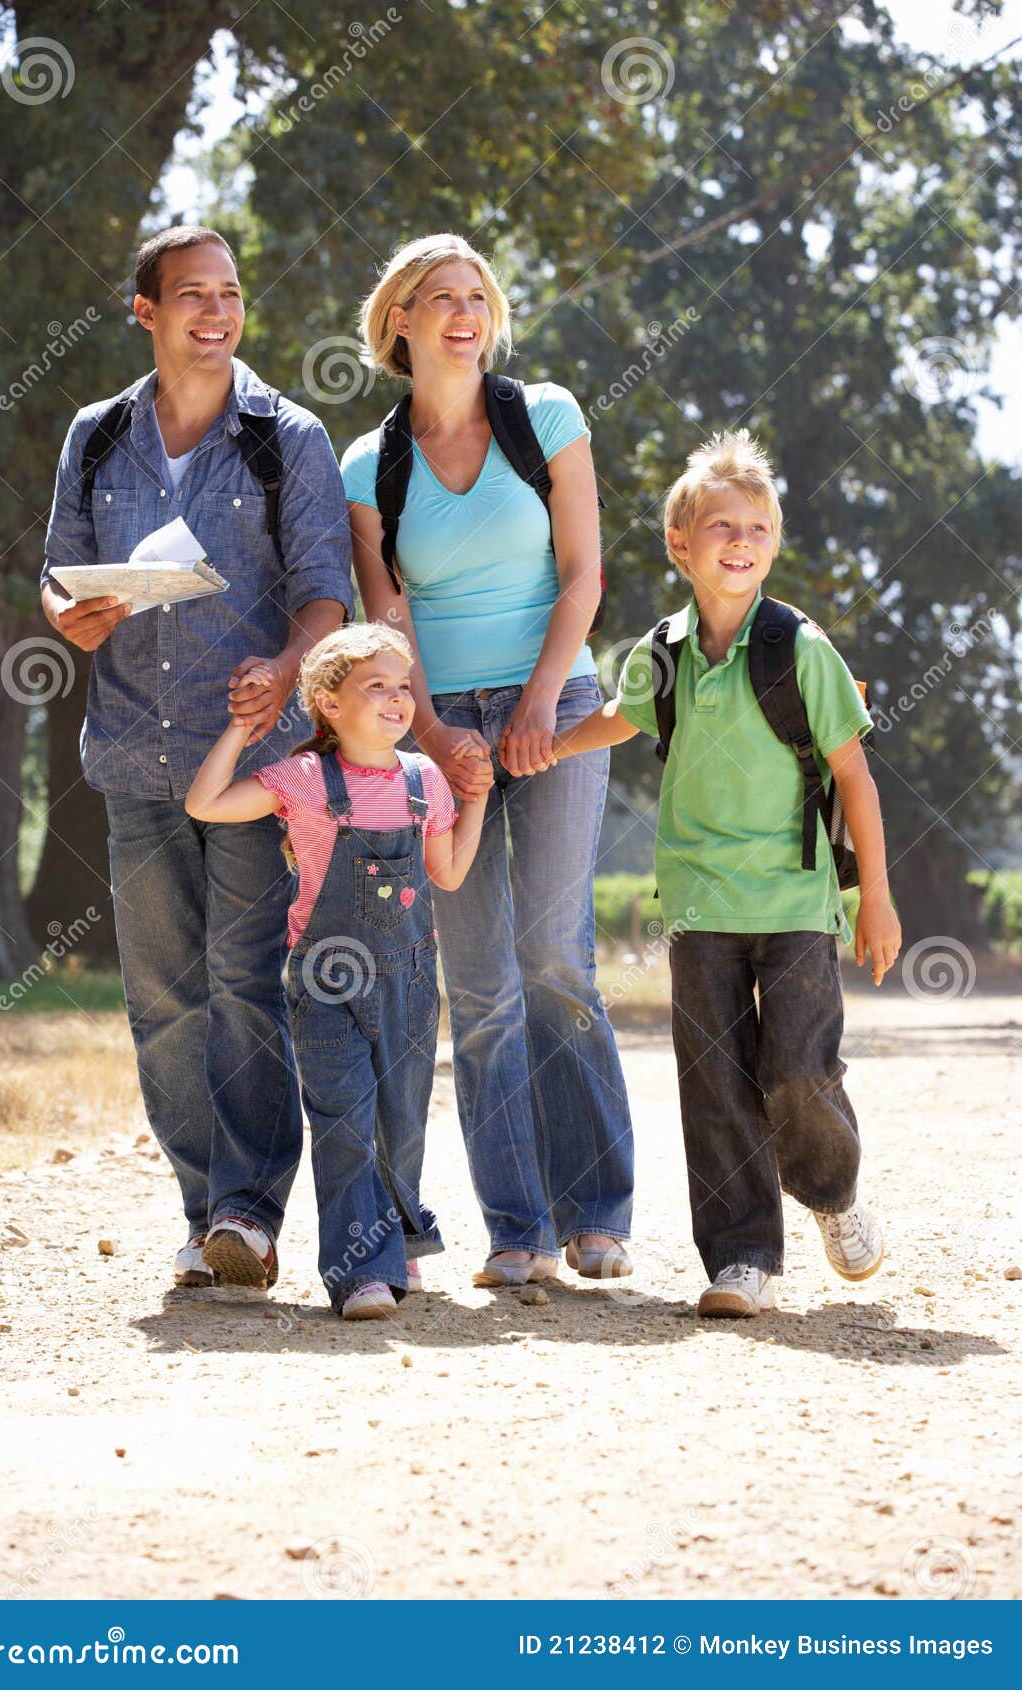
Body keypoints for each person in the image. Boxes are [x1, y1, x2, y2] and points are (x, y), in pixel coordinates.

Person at [41, 225, 354, 1292]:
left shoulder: (287, 437)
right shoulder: (95, 435)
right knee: (163, 997)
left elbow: (326, 591)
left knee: (242, 982)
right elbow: (58, 572)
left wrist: (287, 664)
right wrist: (67, 613)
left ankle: (248, 1213)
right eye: (192, 295)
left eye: (229, 293)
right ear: (146, 311)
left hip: (252, 764)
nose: (216, 313)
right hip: (133, 754)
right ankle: (199, 1207)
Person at [552, 429, 902, 1318]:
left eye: (757, 527)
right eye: (721, 526)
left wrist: (875, 899)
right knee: (713, 1086)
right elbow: (621, 717)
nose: (740, 541)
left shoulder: (800, 648)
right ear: (680, 544)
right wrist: (542, 747)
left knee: (795, 1071)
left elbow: (853, 776)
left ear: (773, 543)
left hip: (794, 901)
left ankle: (831, 1193)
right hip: (697, 907)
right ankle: (740, 1257)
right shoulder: (662, 652)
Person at [341, 233, 634, 1289]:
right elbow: (387, 619)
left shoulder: (544, 416)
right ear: (400, 322)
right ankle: (517, 1229)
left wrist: (542, 699)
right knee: (476, 984)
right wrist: (428, 733)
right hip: (442, 726)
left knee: (553, 955)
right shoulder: (366, 466)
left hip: (555, 703)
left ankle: (595, 1211)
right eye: (440, 297)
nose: (464, 312)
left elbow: (583, 572)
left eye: (478, 296)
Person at [184, 623, 488, 1317]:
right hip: (326, 983)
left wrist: (475, 800)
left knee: (400, 1123)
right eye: (375, 685)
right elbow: (204, 803)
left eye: (403, 686)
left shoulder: (425, 779)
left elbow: (447, 873)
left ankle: (395, 1238)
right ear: (327, 702)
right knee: (344, 1122)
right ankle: (360, 1275)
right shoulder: (301, 779)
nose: (397, 698)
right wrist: (241, 728)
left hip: (410, 981)